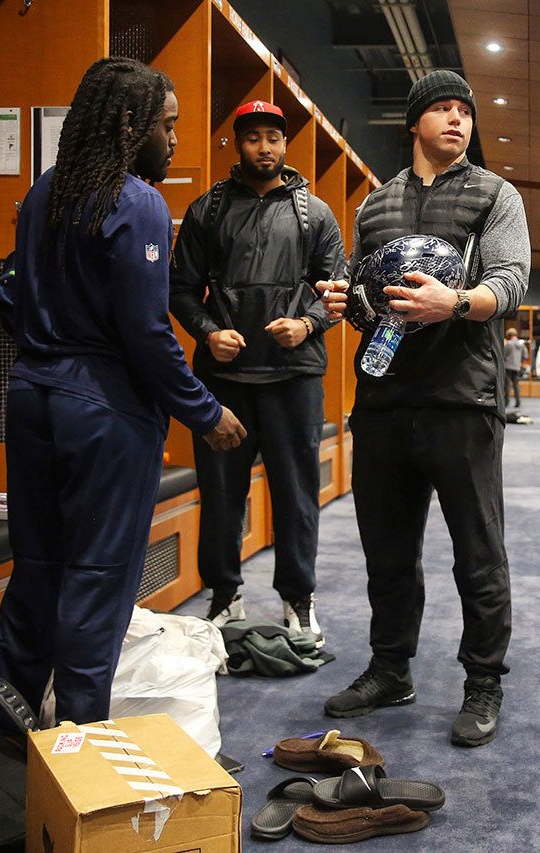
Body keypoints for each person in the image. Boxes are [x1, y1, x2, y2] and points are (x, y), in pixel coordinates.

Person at [0, 58, 246, 724]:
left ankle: (4, 738)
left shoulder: (44, 191)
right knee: (97, 582)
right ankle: (79, 763)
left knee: (37, 572)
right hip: (103, 411)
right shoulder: (138, 203)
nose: (175, 141)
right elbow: (145, 333)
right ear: (130, 125)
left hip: (30, 396)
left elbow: (7, 294)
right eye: (168, 126)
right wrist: (205, 411)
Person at [315, 69, 530, 747]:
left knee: (478, 553)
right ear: (415, 123)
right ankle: (389, 668)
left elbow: (511, 280)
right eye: (441, 108)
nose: (457, 119)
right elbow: (368, 299)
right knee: (387, 551)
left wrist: (456, 303)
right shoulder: (375, 205)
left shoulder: (496, 194)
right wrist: (342, 303)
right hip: (382, 401)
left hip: (461, 401)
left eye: (464, 110)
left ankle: (483, 680)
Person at [170, 100, 346, 643]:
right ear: (238, 144)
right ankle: (225, 597)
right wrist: (206, 332)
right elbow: (178, 288)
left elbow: (336, 291)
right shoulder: (207, 210)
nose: (264, 147)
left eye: (274, 136)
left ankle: (298, 601)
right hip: (224, 381)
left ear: (284, 144)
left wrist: (308, 326)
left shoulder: (316, 214)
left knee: (296, 494)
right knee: (221, 495)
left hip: (295, 377)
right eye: (253, 138)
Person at [503, 328, 526, 409]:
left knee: (507, 385)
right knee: (516, 385)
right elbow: (525, 356)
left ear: (509, 335)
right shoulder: (521, 344)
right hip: (517, 367)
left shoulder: (508, 344)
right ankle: (518, 402)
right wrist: (519, 362)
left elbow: (503, 355)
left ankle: (506, 402)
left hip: (508, 366)